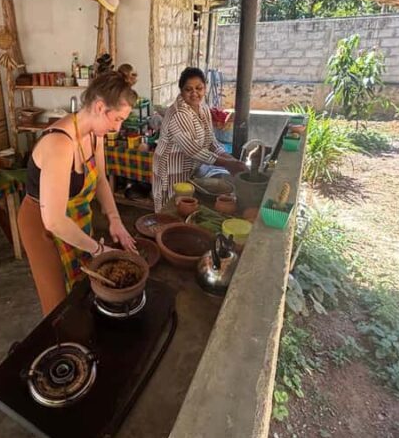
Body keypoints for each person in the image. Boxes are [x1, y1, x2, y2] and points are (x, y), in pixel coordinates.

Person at [18, 72, 138, 316]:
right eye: (117, 119)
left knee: (82, 285)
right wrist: (98, 249)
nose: (117, 128)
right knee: (58, 303)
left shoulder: (94, 135)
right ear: (99, 107)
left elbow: (101, 178)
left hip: (75, 219)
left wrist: (115, 220)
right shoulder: (59, 144)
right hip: (43, 226)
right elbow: (53, 220)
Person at [152, 67, 246, 211]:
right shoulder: (178, 113)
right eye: (188, 89)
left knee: (187, 203)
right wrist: (228, 164)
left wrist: (232, 161)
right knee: (170, 208)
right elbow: (193, 150)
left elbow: (211, 141)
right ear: (181, 91)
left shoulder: (203, 108)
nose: (194, 93)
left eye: (199, 88)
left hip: (190, 168)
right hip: (171, 169)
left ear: (205, 88)